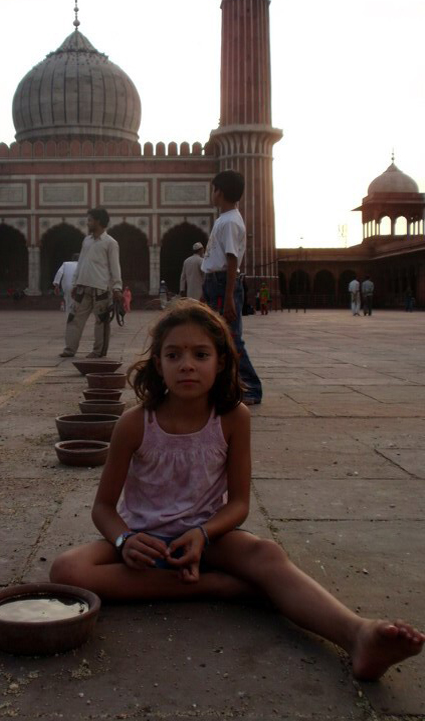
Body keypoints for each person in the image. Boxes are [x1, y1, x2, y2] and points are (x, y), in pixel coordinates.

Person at [50, 300, 425, 682]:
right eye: (173, 354)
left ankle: (357, 633)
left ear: (222, 362)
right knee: (67, 569)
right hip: (145, 543)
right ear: (158, 365)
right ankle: (217, 587)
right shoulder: (135, 423)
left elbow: (239, 504)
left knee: (267, 553)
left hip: (209, 538)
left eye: (201, 354)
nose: (187, 365)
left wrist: (201, 533)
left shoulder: (232, 418)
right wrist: (124, 540)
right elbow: (103, 509)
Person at [201, 170, 262, 405]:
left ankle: (252, 388)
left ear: (220, 191)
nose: (212, 193)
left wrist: (227, 298)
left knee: (232, 338)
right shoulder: (225, 219)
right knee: (217, 337)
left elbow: (232, 259)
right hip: (214, 283)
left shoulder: (229, 221)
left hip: (222, 284)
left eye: (214, 188)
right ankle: (224, 386)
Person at [60, 208, 122, 359]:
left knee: (101, 321)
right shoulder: (86, 241)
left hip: (101, 288)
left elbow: (115, 266)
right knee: (74, 318)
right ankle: (70, 349)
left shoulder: (110, 243)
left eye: (89, 220)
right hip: (83, 286)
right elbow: (80, 263)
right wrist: (75, 283)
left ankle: (98, 351)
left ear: (98, 221)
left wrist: (117, 287)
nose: (87, 223)